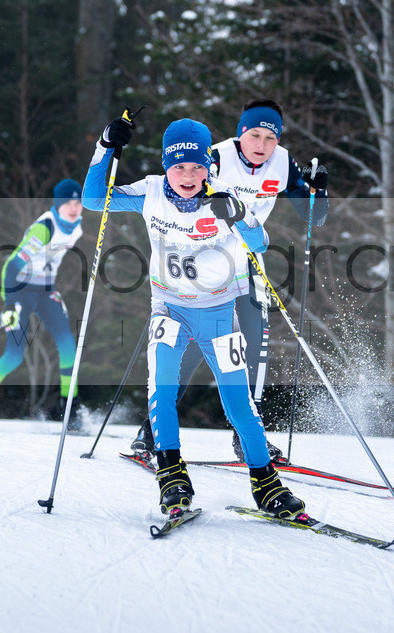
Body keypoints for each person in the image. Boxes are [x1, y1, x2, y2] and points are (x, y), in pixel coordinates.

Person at [82, 114, 306, 520]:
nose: (188, 175)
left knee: (239, 403)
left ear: (209, 166)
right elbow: (94, 200)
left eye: (198, 166)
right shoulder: (149, 192)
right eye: (179, 166)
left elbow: (261, 241)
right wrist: (105, 146)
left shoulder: (223, 196)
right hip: (169, 309)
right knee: (162, 390)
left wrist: (236, 215)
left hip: (220, 314)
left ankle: (266, 483)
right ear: (166, 165)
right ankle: (171, 474)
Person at [129, 99, 329, 463]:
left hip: (246, 260)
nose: (262, 144)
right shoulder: (216, 158)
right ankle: (152, 429)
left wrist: (317, 191)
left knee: (255, 341)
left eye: (270, 137)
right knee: (187, 347)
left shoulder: (283, 164)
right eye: (254, 134)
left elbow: (313, 216)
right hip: (202, 266)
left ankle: (246, 437)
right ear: (240, 134)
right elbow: (179, 190)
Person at [0, 179, 85, 430]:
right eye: (68, 203)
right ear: (58, 204)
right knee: (13, 356)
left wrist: (51, 289)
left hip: (45, 292)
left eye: (78, 203)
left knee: (68, 348)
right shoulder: (44, 229)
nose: (74, 208)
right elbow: (11, 266)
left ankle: (70, 414)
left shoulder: (76, 226)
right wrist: (9, 304)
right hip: (20, 291)